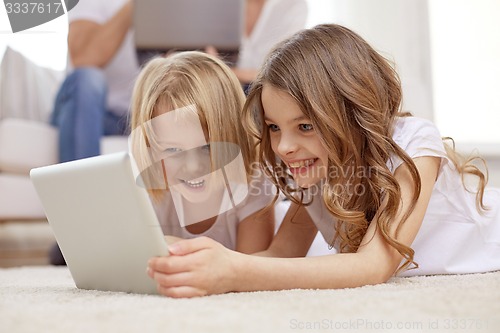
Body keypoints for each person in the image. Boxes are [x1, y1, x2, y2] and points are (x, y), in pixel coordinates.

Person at [146, 24, 500, 298]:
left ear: (350, 111)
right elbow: (282, 254)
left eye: (304, 126)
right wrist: (193, 256)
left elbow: (373, 265)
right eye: (273, 127)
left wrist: (235, 271)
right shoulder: (314, 174)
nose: (284, 146)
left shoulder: (415, 146)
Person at [129, 51, 276, 254]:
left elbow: (251, 269)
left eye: (207, 148)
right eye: (173, 150)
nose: (193, 166)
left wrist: (177, 249)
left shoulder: (253, 182)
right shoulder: (148, 188)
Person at [48, 0, 140, 265]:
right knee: (88, 79)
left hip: (134, 116)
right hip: (85, 110)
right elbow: (84, 58)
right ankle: (78, 231)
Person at [207, 0, 308, 88]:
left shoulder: (293, 6)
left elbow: (283, 71)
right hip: (224, 84)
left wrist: (223, 71)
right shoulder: (225, 6)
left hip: (267, 88)